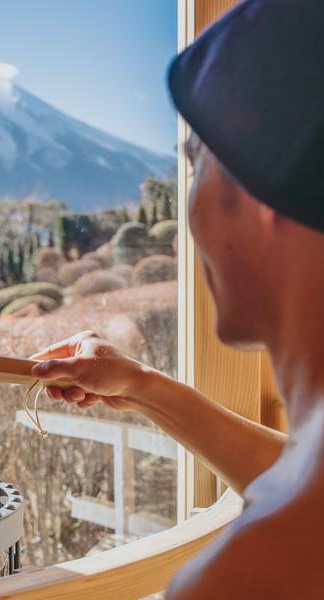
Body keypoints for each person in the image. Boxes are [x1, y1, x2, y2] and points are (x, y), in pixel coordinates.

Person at [31, 0, 324, 597]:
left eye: (195, 167)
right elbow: (296, 478)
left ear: (261, 192)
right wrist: (142, 386)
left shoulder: (249, 575)